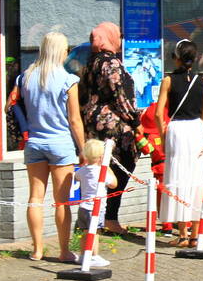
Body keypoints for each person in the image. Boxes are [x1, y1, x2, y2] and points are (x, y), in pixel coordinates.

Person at [21, 32, 85, 262]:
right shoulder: (68, 80)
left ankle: (37, 249)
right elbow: (75, 120)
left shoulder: (26, 77)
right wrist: (83, 148)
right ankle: (64, 251)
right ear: (61, 51)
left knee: (35, 198)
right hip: (61, 144)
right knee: (62, 202)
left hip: (35, 141)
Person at [80, 21, 141, 235]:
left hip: (92, 122)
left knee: (99, 170)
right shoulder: (111, 63)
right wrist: (135, 121)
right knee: (120, 169)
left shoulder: (90, 63)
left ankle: (94, 216)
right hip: (114, 126)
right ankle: (110, 218)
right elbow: (120, 95)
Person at [157, 39, 203, 247]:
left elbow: (159, 113)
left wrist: (163, 136)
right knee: (196, 178)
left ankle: (183, 234)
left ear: (175, 58)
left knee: (178, 178)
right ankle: (195, 234)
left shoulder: (168, 81)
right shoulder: (202, 81)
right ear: (195, 58)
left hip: (177, 129)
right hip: (196, 128)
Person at [74, 139, 118, 265]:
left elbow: (76, 176)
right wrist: (108, 167)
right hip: (96, 208)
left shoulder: (82, 170)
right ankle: (94, 256)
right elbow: (114, 184)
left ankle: (83, 255)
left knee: (85, 232)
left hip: (83, 207)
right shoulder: (101, 172)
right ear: (101, 157)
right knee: (95, 233)